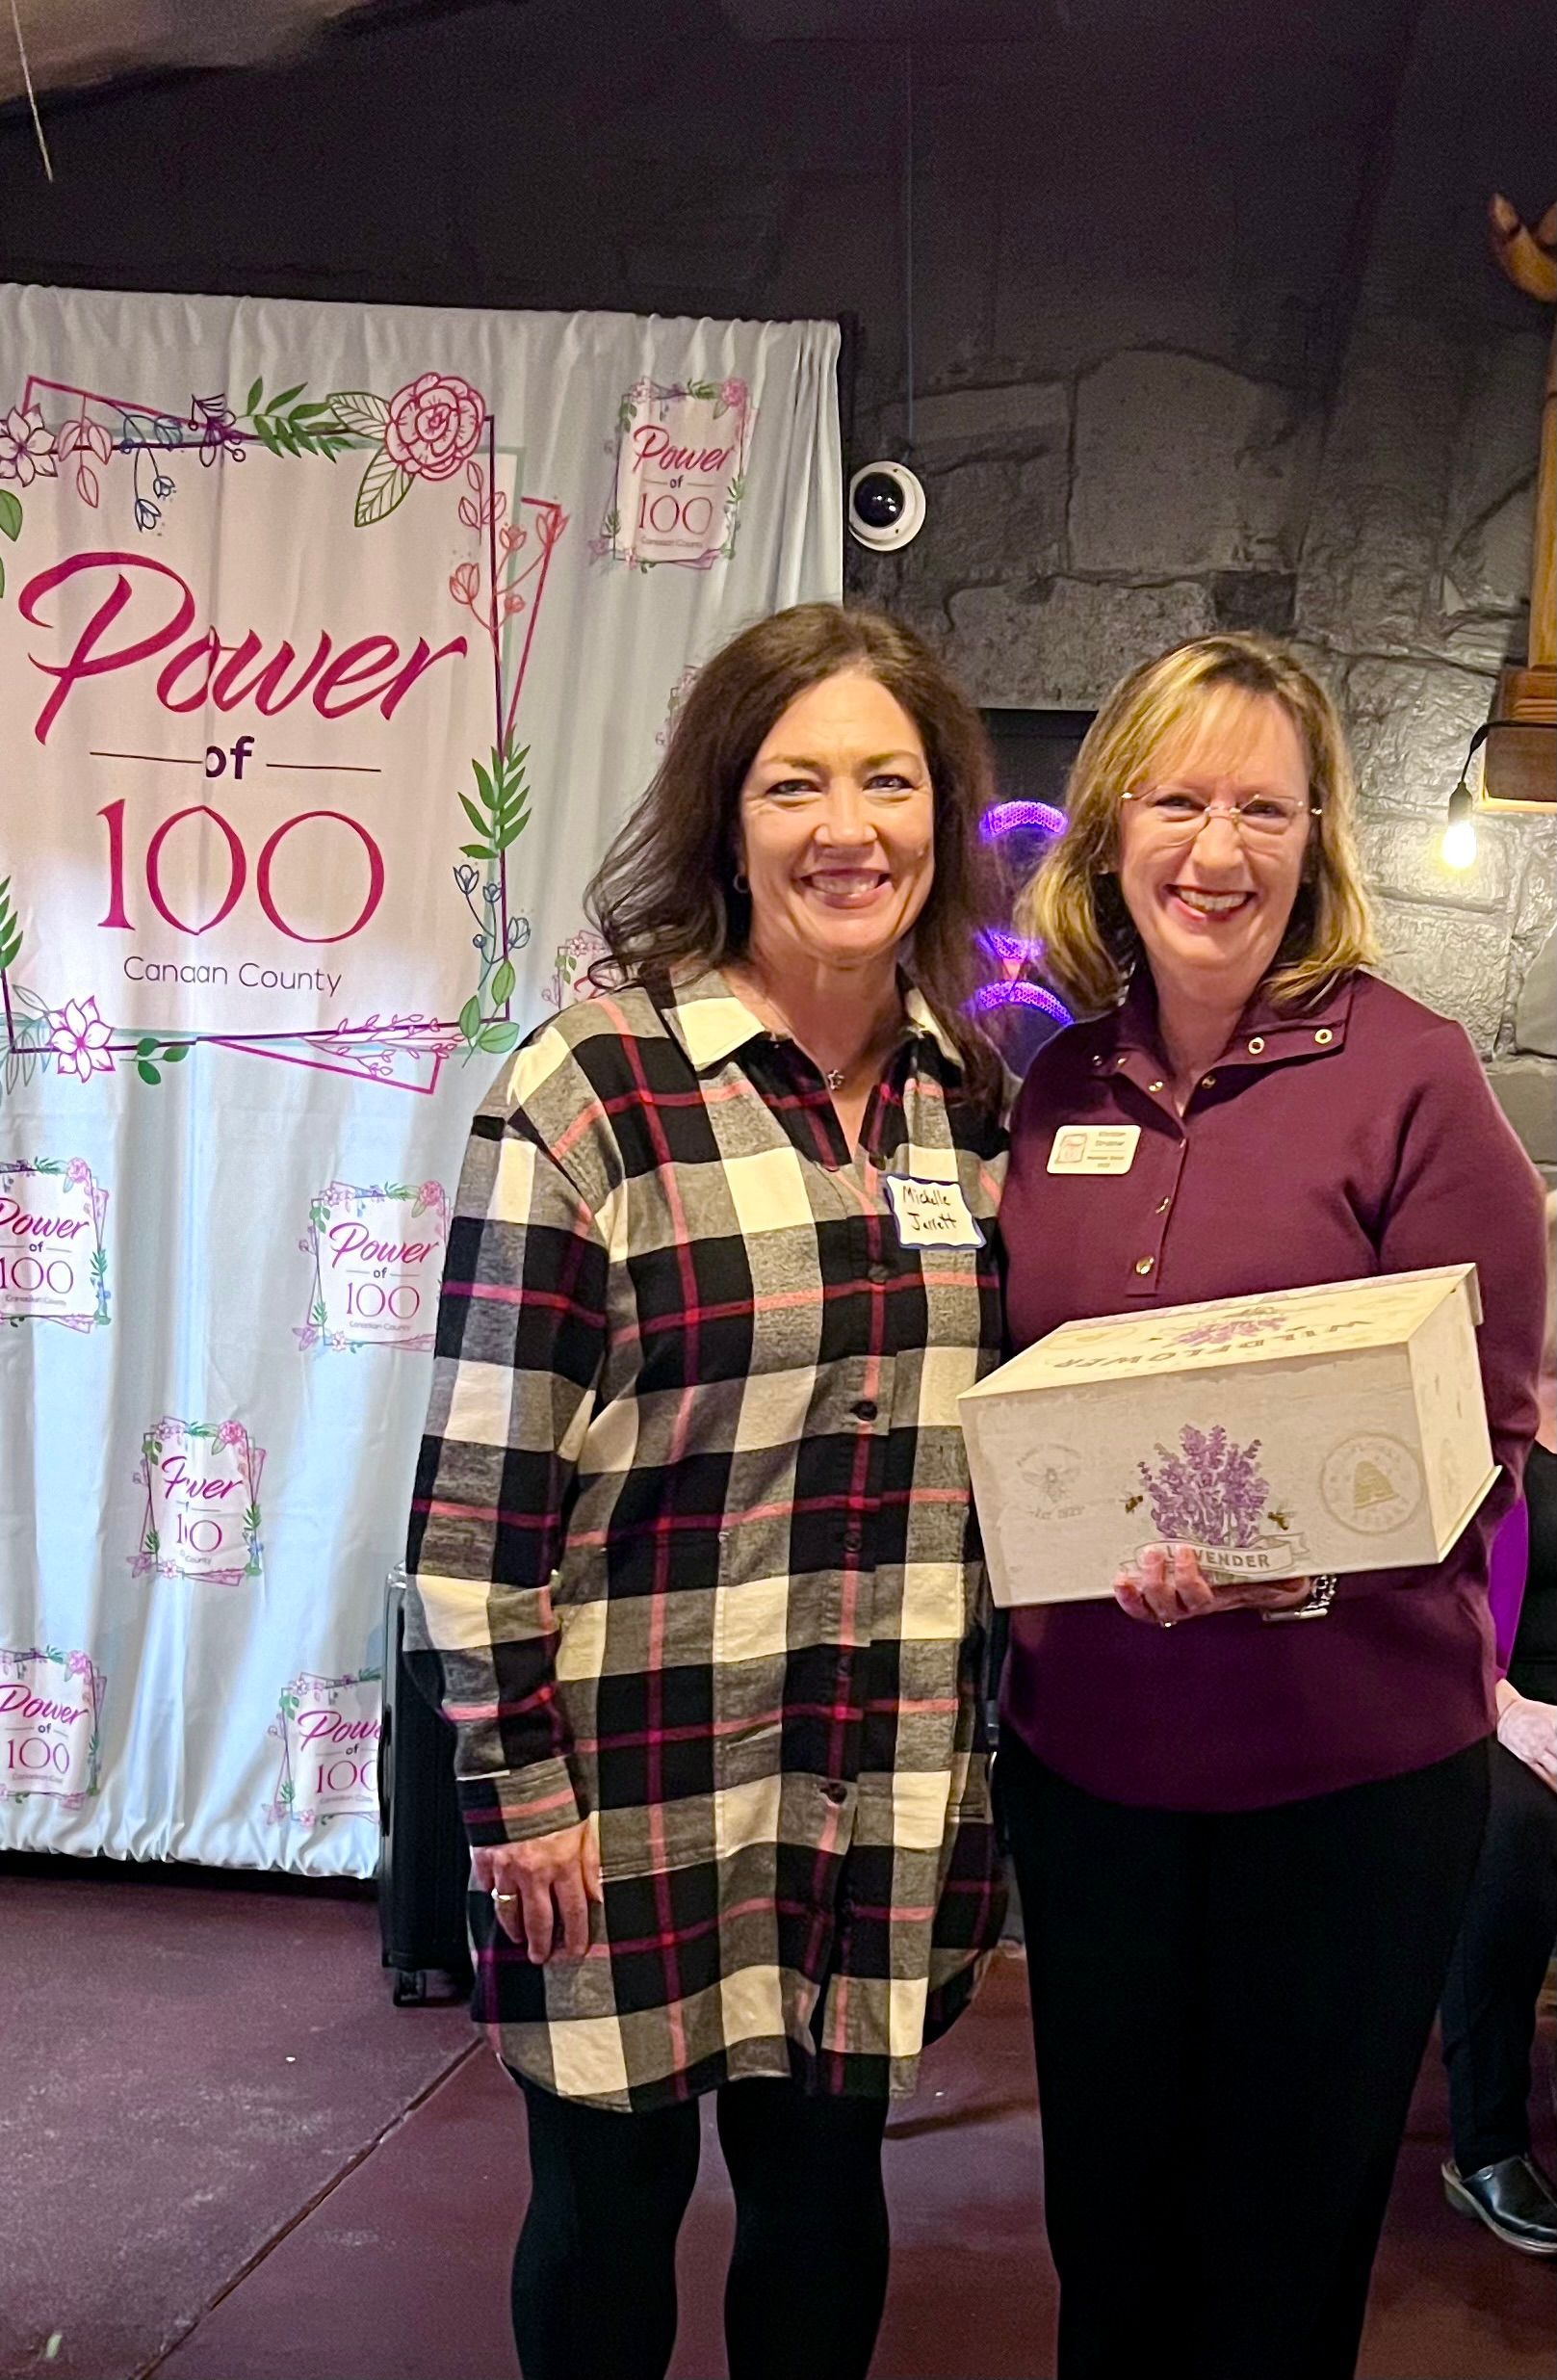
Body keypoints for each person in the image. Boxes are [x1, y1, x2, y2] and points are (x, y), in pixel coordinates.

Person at [402, 602, 1009, 2380]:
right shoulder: (592, 1089)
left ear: (941, 813)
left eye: (889, 781)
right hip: (632, 1779)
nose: (850, 828)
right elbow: (480, 1496)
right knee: (607, 2208)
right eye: (795, 782)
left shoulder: (966, 1103)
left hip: (875, 1771)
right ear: (723, 817)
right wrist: (515, 1795)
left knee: (825, 2206)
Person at [995, 631, 1546, 2380]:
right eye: (1175, 799)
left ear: (1314, 841)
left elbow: (1487, 1418)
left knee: (1276, 2247)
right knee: (1108, 2229)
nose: (1212, 851)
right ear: (1109, 828)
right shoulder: (1058, 1088)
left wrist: (1288, 1570)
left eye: (1260, 808)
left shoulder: (1407, 1070)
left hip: (1344, 1782)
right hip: (1091, 1774)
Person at [1440, 1190, 1557, 2254]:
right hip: (1500, 1702)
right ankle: (1485, 2144)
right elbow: (1440, 1595)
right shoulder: (1487, 1414)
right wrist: (1512, 1709)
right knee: (1513, 1833)